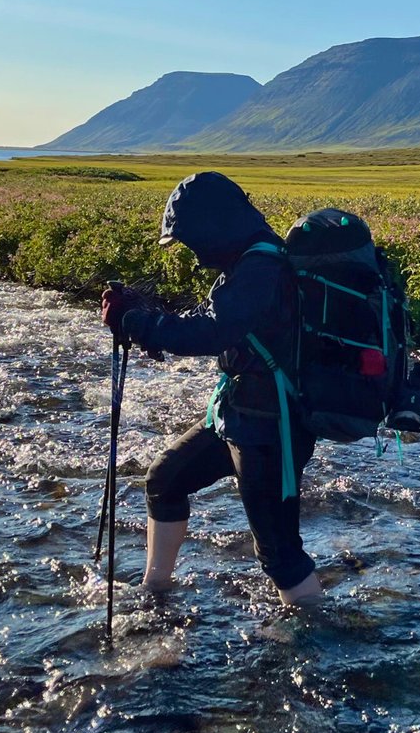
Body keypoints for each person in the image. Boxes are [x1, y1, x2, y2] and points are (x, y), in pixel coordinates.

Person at [99, 172, 323, 606]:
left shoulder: (261, 266)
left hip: (271, 431)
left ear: (214, 225)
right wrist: (145, 314)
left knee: (279, 555)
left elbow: (213, 332)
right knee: (164, 480)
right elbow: (215, 320)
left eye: (192, 240)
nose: (194, 253)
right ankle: (155, 590)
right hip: (240, 418)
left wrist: (136, 322)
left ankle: (321, 642)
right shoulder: (249, 259)